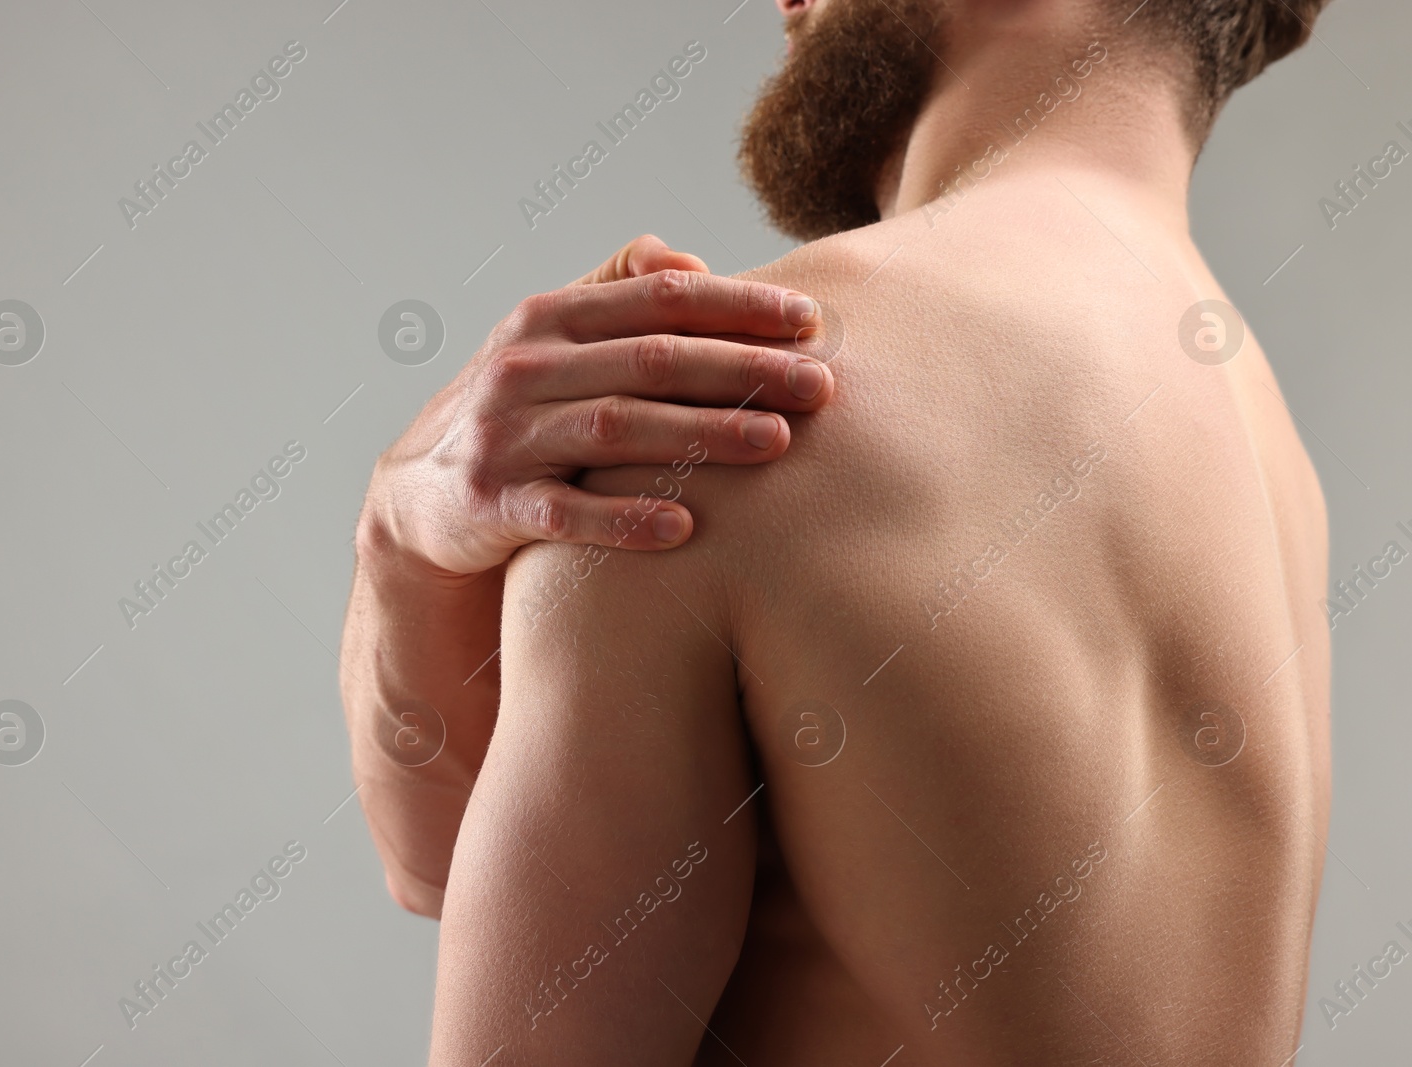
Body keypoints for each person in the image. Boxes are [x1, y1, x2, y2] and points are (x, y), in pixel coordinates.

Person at [346, 0, 1334, 1062]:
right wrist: (402, 540)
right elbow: (451, 862)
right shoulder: (1264, 463)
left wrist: (396, 532)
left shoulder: (720, 408)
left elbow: (449, 890)